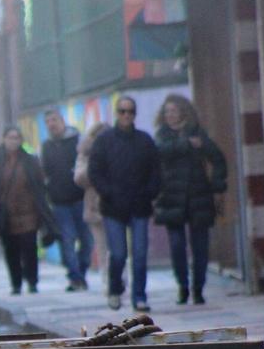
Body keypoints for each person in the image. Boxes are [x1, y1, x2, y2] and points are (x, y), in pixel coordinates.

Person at [153, 94, 227, 305]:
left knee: (200, 246)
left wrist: (217, 185)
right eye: (167, 112)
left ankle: (198, 288)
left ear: (183, 112)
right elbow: (160, 152)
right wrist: (186, 144)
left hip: (198, 196)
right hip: (171, 198)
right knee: (177, 246)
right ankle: (182, 286)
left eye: (174, 111)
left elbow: (218, 158)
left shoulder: (198, 134)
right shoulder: (162, 135)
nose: (170, 115)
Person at [89, 96, 161, 312]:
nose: (126, 115)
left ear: (134, 114)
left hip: (139, 205)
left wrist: (150, 192)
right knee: (118, 254)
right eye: (122, 111)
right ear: (116, 113)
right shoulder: (104, 141)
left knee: (139, 254)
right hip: (113, 207)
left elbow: (156, 171)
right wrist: (108, 192)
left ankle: (139, 295)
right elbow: (95, 171)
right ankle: (114, 289)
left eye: (130, 111)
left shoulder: (145, 141)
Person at [0, 126, 57, 295]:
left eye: (16, 137)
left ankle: (32, 282)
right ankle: (16, 284)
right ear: (4, 139)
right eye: (10, 137)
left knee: (29, 249)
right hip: (7, 215)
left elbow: (39, 185)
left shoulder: (29, 160)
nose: (13, 141)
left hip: (28, 213)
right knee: (11, 251)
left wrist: (42, 209)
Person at [41, 109, 90, 291]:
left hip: (81, 199)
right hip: (59, 203)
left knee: (87, 241)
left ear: (62, 121)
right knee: (67, 241)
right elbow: (45, 172)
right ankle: (75, 278)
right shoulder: (47, 146)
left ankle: (81, 272)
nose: (51, 124)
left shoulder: (77, 140)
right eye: (47, 121)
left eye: (53, 120)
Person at [72, 122, 109, 292]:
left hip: (118, 203)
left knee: (119, 248)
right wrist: (94, 165)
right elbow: (79, 178)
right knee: (102, 246)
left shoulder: (115, 148)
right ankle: (108, 282)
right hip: (95, 205)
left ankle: (121, 279)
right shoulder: (86, 152)